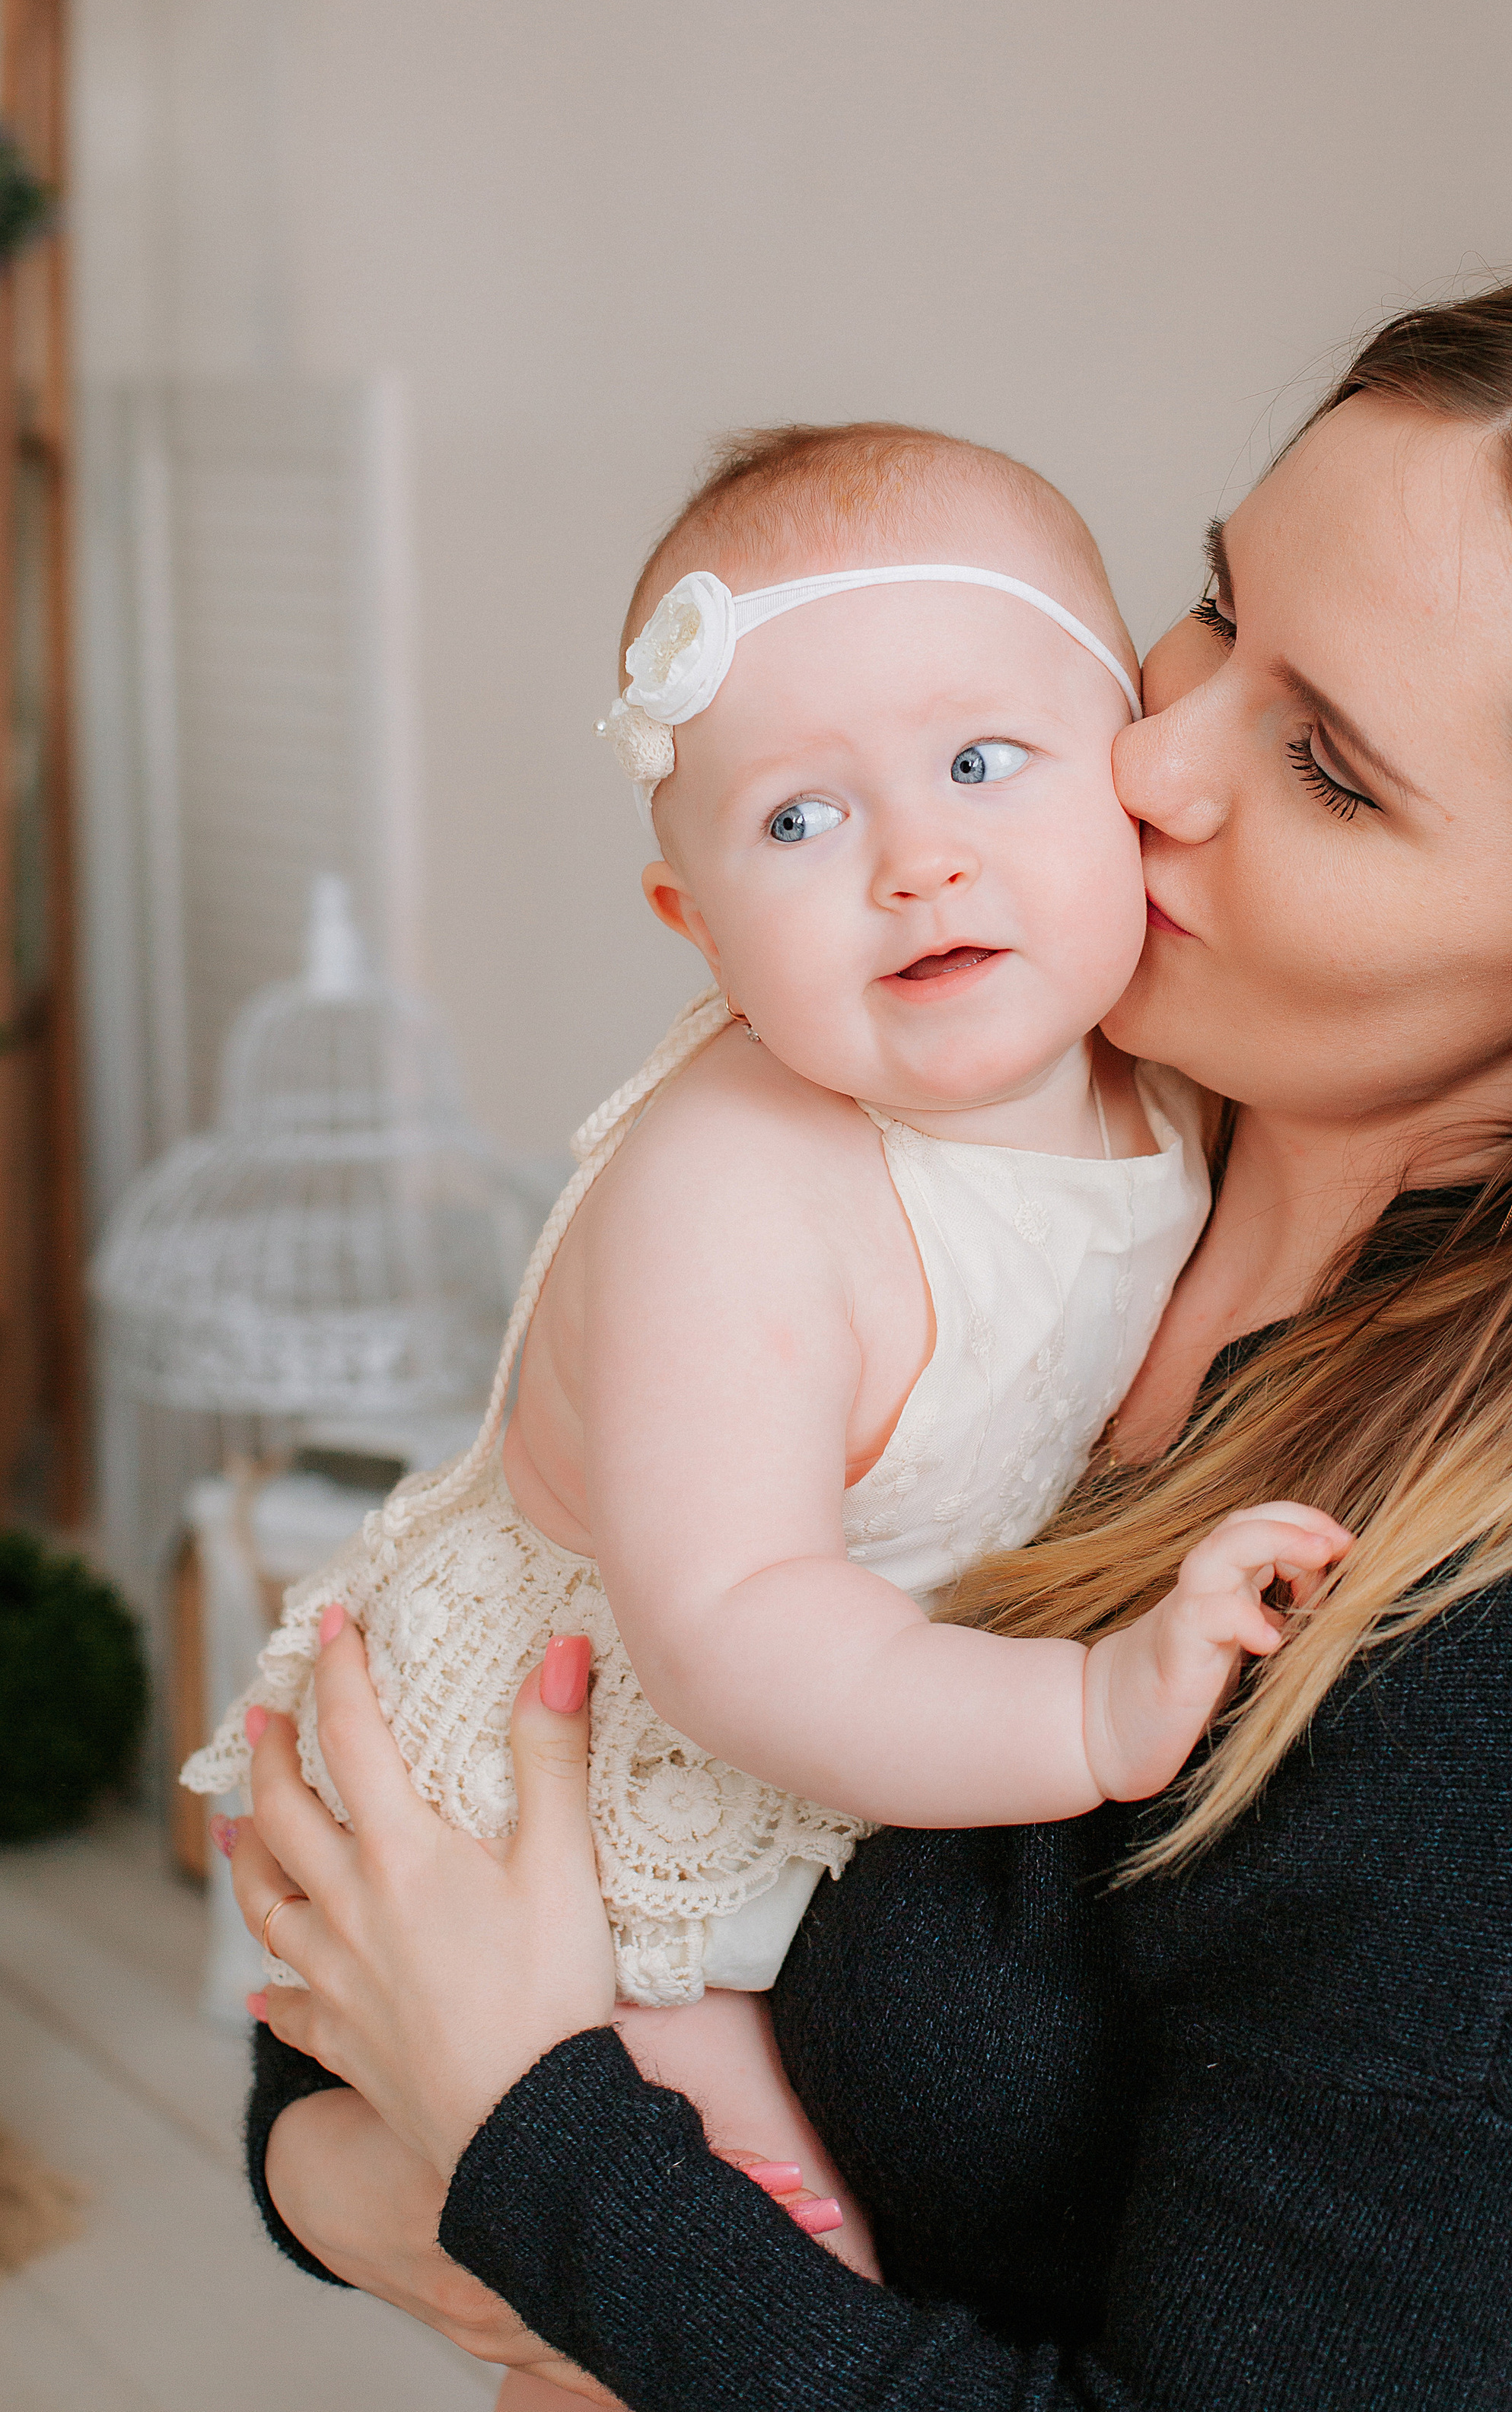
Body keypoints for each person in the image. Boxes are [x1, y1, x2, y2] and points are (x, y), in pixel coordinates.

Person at [219, 270, 1512, 2410]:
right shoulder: (1034, 1146)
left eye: (1324, 768)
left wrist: (522, 2152)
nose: (1148, 758)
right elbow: (448, 1892)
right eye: (1216, 611)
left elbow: (506, 2078)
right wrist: (354, 2163)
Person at [187, 422, 1348, 2323]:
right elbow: (732, 1630)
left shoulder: (1168, 1079)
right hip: (591, 1754)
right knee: (761, 2240)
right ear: (698, 926)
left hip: (835, 1721)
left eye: (982, 763)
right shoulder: (737, 1187)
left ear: (1124, 789)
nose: (917, 859)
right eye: (799, 821)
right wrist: (1084, 1720)